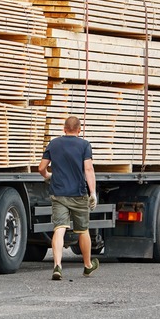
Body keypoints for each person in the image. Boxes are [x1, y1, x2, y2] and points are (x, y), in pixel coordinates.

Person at [38, 115, 99, 280]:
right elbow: (88, 169)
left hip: (58, 193)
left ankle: (57, 265)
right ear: (79, 130)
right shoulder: (84, 145)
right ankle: (87, 266)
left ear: (64, 129)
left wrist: (48, 175)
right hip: (78, 194)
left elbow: (41, 167)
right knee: (83, 230)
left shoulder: (54, 143)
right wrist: (92, 193)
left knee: (59, 228)